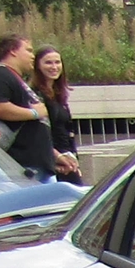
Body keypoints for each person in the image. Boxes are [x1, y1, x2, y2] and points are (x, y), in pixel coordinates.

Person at [0, 34, 53, 182]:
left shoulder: (14, 77)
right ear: (13, 51)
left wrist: (54, 155)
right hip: (24, 166)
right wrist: (34, 112)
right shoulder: (0, 74)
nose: (33, 56)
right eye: (29, 50)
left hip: (38, 164)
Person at [30, 46, 81, 184]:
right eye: (48, 62)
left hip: (68, 160)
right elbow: (37, 133)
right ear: (37, 66)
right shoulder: (34, 95)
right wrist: (58, 157)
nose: (54, 67)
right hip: (52, 163)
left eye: (57, 62)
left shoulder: (59, 94)